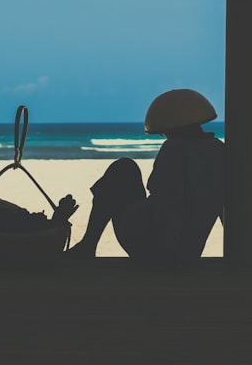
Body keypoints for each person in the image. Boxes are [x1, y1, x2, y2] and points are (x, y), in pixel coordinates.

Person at [67, 89, 225, 264]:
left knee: (123, 168)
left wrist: (169, 251)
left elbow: (168, 200)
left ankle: (88, 245)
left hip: (156, 247)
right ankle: (88, 246)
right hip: (189, 250)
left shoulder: (174, 148)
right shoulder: (219, 150)